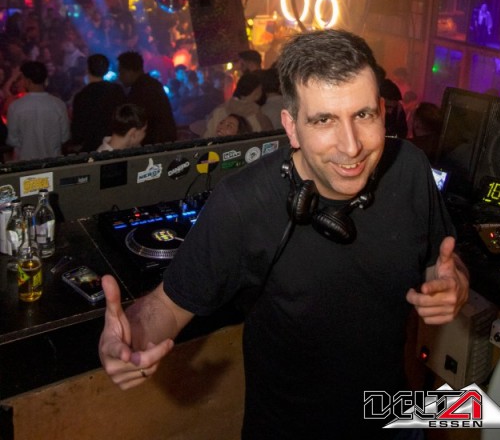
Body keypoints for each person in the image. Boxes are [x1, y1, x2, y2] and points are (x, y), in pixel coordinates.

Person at [99, 29, 468, 440]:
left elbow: (443, 262)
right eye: (324, 120)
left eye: (363, 115)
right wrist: (132, 337)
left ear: (382, 111)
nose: (351, 147)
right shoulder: (243, 204)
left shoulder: (411, 169)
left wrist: (454, 283)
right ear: (291, 128)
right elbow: (168, 306)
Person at [6, 60, 70, 161]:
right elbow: (65, 137)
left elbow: (12, 140)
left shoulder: (15, 106)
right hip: (53, 163)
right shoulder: (58, 104)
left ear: (27, 81)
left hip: (24, 163)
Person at [117, 51, 176, 145]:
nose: (119, 77)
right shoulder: (152, 84)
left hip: (155, 146)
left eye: (121, 72)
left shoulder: (140, 91)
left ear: (130, 71)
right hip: (164, 143)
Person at [70, 54, 125, 152]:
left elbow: (78, 128)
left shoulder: (82, 96)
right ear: (106, 70)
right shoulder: (117, 90)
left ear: (87, 69)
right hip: (115, 143)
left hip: (92, 147)